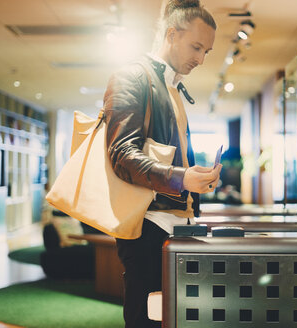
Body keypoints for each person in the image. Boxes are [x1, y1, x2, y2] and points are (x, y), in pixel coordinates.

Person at [102, 1, 219, 327]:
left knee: (172, 319)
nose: (200, 58)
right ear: (171, 34)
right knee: (146, 321)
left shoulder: (171, 86)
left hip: (177, 227)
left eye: (207, 51)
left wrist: (197, 179)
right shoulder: (132, 77)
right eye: (196, 46)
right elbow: (122, 154)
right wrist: (182, 178)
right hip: (147, 227)